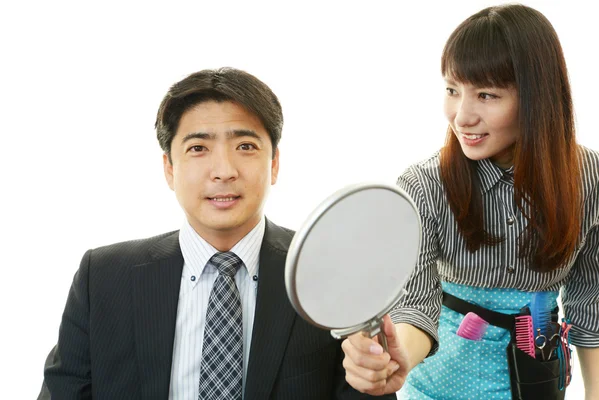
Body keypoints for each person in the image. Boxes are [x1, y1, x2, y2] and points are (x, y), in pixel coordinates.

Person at [38, 67, 397, 400]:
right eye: (198, 148)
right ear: (169, 168)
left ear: (274, 163)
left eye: (245, 146)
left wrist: (376, 371)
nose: (223, 170)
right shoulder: (102, 277)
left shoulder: (331, 273)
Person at [341, 4, 599, 399]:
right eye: (452, 90)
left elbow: (591, 302)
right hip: (440, 385)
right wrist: (396, 361)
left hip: (538, 382)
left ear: (536, 98)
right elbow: (416, 304)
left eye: (486, 94)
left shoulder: (587, 175)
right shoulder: (424, 185)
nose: (461, 116)